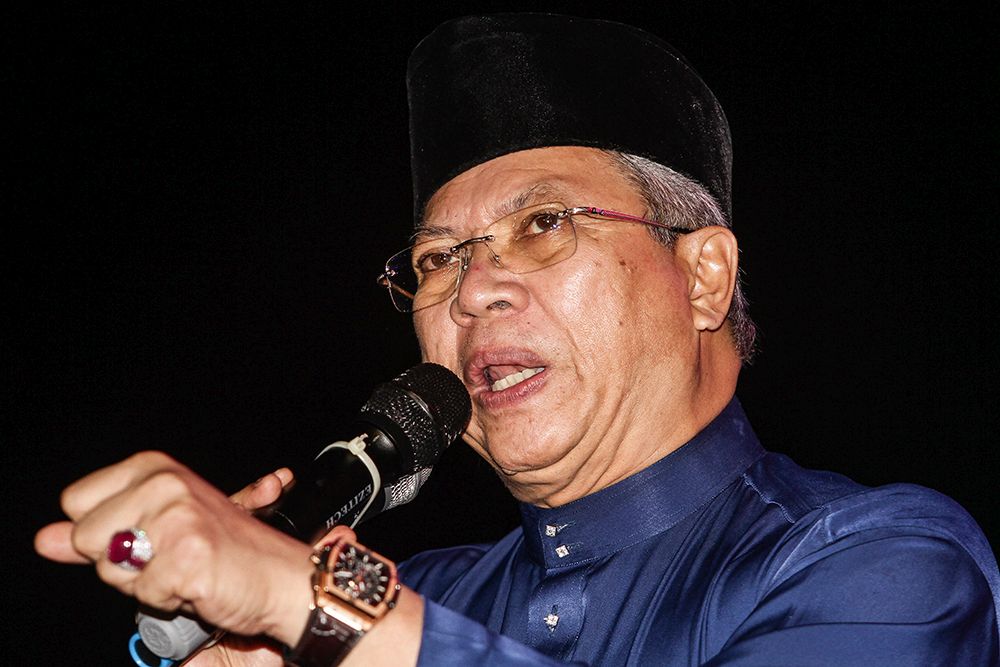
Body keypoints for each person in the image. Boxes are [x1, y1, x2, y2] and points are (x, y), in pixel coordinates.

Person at [35, 13, 999, 666]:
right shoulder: (429, 592)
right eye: (437, 259)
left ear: (703, 275)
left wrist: (318, 600)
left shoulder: (883, 559)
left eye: (543, 225)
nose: (474, 290)